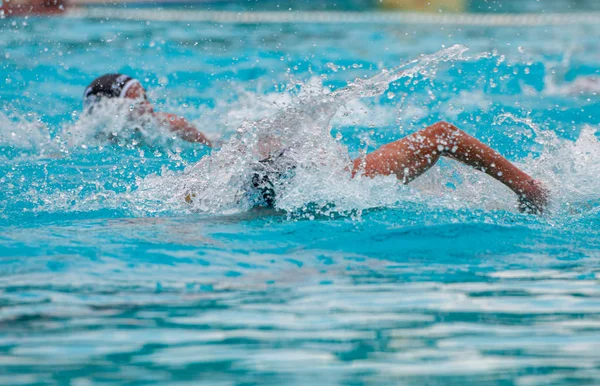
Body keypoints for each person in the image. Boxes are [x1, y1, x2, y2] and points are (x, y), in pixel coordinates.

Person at [242, 121, 548, 214]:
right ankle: (526, 186)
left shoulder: (235, 208)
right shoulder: (348, 181)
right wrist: (524, 187)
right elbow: (443, 133)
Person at [83, 74, 211, 146]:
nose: (150, 107)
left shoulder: (168, 126)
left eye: (144, 97)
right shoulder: (82, 141)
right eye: (137, 102)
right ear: (111, 110)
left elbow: (214, 146)